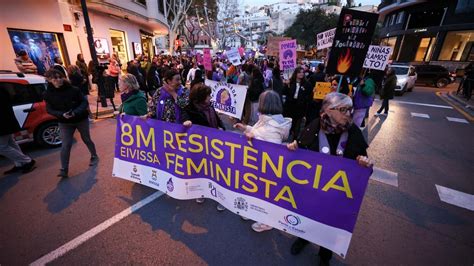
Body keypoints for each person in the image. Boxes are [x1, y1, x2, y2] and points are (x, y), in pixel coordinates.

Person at [287, 92, 372, 266]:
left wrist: (364, 164)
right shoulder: (314, 126)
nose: (348, 114)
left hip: (336, 194)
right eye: (343, 110)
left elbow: (364, 169)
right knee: (307, 216)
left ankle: (325, 256)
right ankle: (303, 239)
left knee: (330, 225)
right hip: (311, 190)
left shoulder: (353, 132)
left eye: (350, 110)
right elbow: (300, 150)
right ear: (328, 110)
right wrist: (294, 147)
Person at [234, 90, 292, 232]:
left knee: (266, 194)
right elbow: (258, 131)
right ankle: (254, 212)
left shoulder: (272, 125)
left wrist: (251, 138)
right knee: (257, 190)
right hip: (258, 166)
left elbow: (271, 150)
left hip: (267, 169)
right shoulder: (268, 119)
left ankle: (267, 222)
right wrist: (246, 128)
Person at [43, 69, 98, 178]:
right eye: (55, 78)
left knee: (86, 139)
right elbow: (49, 110)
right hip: (64, 122)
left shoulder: (73, 89)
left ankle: (94, 156)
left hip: (80, 119)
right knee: (66, 144)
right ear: (49, 80)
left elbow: (84, 102)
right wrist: (61, 114)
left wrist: (75, 112)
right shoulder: (47, 94)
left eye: (60, 77)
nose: (58, 80)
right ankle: (64, 169)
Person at [184, 84, 226, 210]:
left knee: (218, 172)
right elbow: (184, 121)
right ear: (200, 97)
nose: (210, 97)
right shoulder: (189, 109)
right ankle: (200, 192)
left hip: (215, 145)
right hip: (201, 147)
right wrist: (186, 123)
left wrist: (221, 128)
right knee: (202, 171)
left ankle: (222, 198)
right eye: (208, 95)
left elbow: (217, 120)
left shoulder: (210, 106)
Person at [0, 89, 36, 175]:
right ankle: (20, 163)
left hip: (2, 124)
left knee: (2, 147)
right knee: (11, 143)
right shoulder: (3, 90)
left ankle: (27, 161)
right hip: (6, 123)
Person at [283, 66, 311, 140]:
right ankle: (286, 136)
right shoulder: (290, 82)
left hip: (300, 106)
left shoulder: (306, 84)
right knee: (288, 122)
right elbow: (284, 92)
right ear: (296, 73)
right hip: (290, 105)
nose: (301, 74)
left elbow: (308, 95)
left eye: (302, 72)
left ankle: (295, 139)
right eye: (299, 72)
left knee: (297, 123)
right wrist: (286, 85)